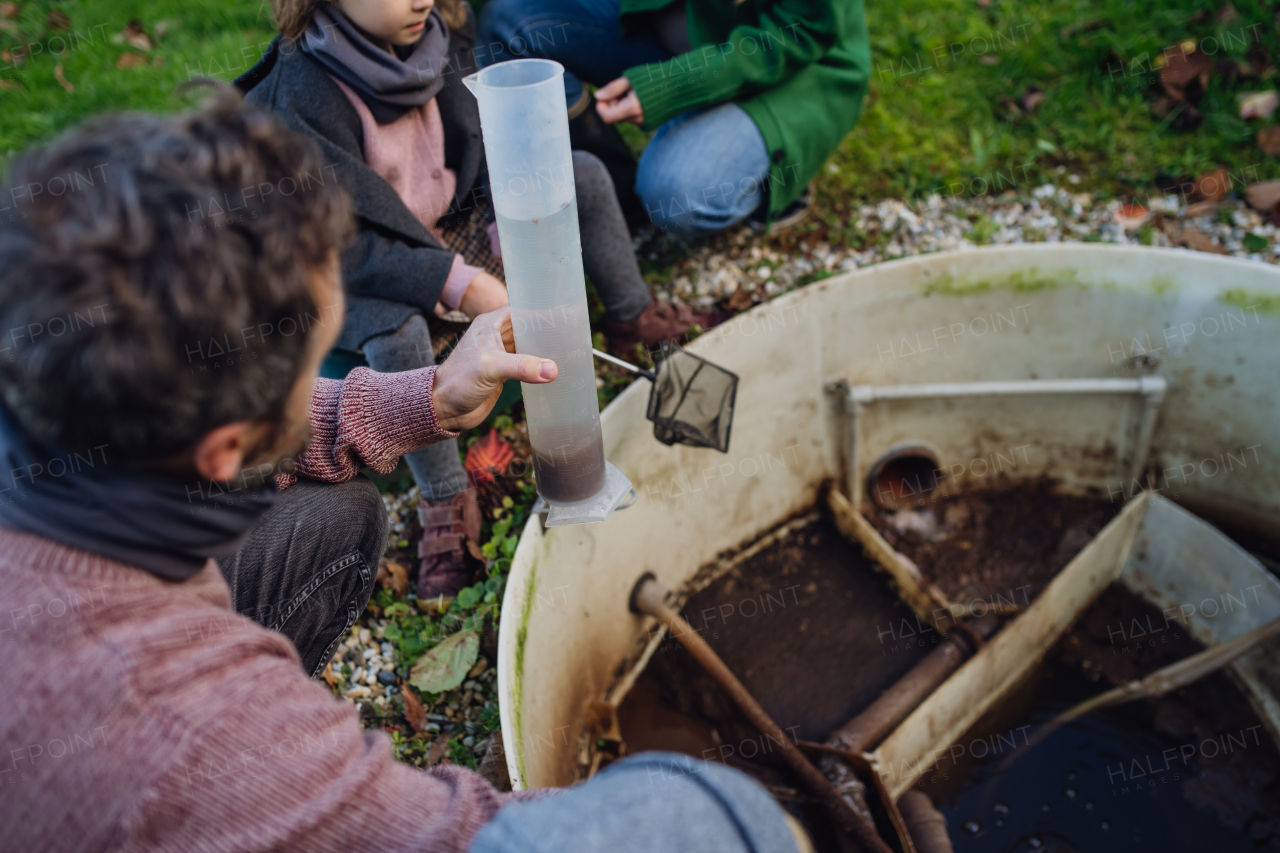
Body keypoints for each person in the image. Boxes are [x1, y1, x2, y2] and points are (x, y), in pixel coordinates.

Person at [0, 92, 804, 852]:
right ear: (220, 452)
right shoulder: (172, 729)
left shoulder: (43, 375)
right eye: (307, 366)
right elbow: (466, 837)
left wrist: (432, 397)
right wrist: (734, 807)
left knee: (344, 518)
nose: (313, 382)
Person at [236, 0, 721, 599]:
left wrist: (512, 229)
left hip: (452, 234)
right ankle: (444, 498)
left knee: (584, 174)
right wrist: (459, 284)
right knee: (398, 336)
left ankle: (630, 318)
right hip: (359, 275)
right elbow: (343, 247)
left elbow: (487, 155)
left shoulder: (438, 43)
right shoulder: (301, 99)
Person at [476, 0, 871, 238]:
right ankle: (613, 190)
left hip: (795, 63)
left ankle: (772, 173)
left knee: (676, 196)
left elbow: (801, 32)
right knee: (511, 20)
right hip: (684, 21)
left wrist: (671, 87)